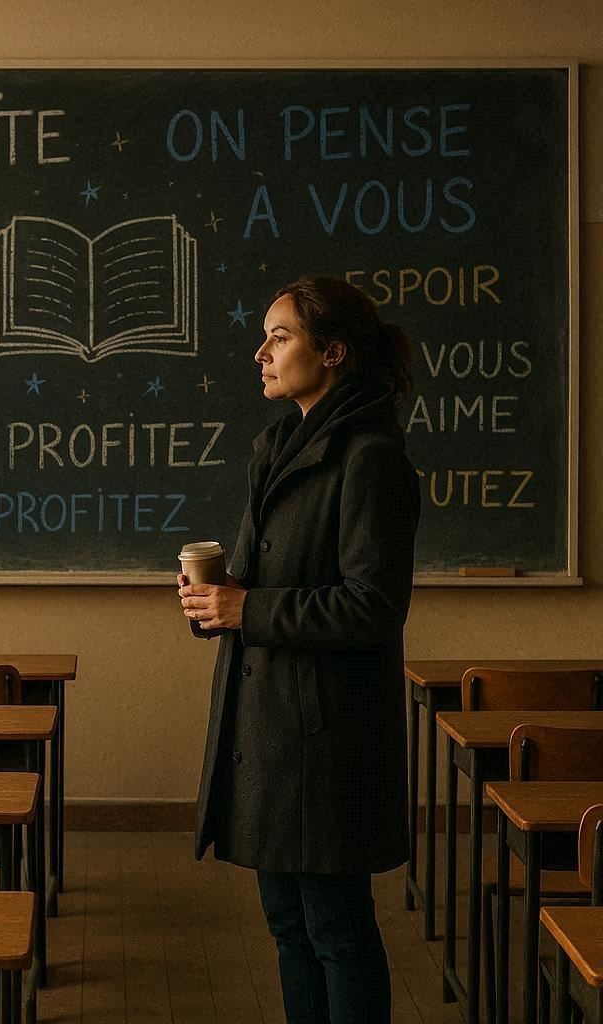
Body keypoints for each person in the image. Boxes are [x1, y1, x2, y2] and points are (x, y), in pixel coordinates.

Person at [177, 275, 421, 1024]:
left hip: (326, 737)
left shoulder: (370, 458)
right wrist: (219, 600)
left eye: (279, 338)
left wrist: (247, 608)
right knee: (289, 926)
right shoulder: (280, 446)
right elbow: (267, 583)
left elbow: (373, 606)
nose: (261, 353)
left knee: (337, 931)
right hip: (271, 731)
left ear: (333, 352)